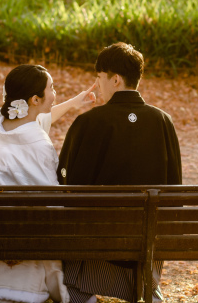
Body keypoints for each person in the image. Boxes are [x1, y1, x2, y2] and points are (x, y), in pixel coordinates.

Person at [0, 64, 96, 303]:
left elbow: (36, 120)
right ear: (34, 99)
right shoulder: (38, 146)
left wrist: (75, 102)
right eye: (51, 88)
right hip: (28, 251)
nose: (55, 93)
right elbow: (53, 202)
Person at [57, 43, 182, 303]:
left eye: (99, 77)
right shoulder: (163, 121)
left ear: (115, 79)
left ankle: (83, 291)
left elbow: (68, 183)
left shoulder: (89, 122)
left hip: (99, 239)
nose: (97, 85)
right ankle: (147, 287)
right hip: (147, 239)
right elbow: (174, 185)